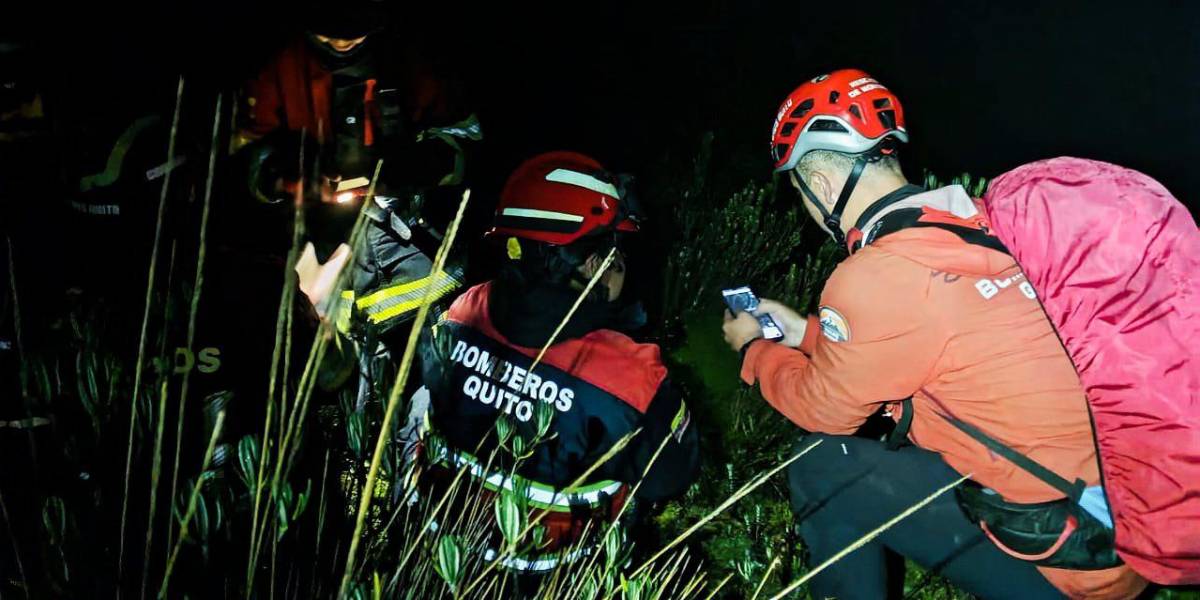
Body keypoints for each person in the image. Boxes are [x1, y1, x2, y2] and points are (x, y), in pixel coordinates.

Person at [721, 69, 1147, 599]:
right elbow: (919, 342)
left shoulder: (877, 274)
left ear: (824, 186)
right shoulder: (983, 228)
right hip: (1124, 526)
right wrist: (802, 331)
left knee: (824, 464)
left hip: (1069, 565)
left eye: (803, 194)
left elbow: (823, 410)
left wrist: (754, 348)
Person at [414, 151, 699, 579]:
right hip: (560, 577)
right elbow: (671, 477)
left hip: (436, 561)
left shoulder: (463, 311)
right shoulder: (630, 375)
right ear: (590, 263)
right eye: (615, 251)